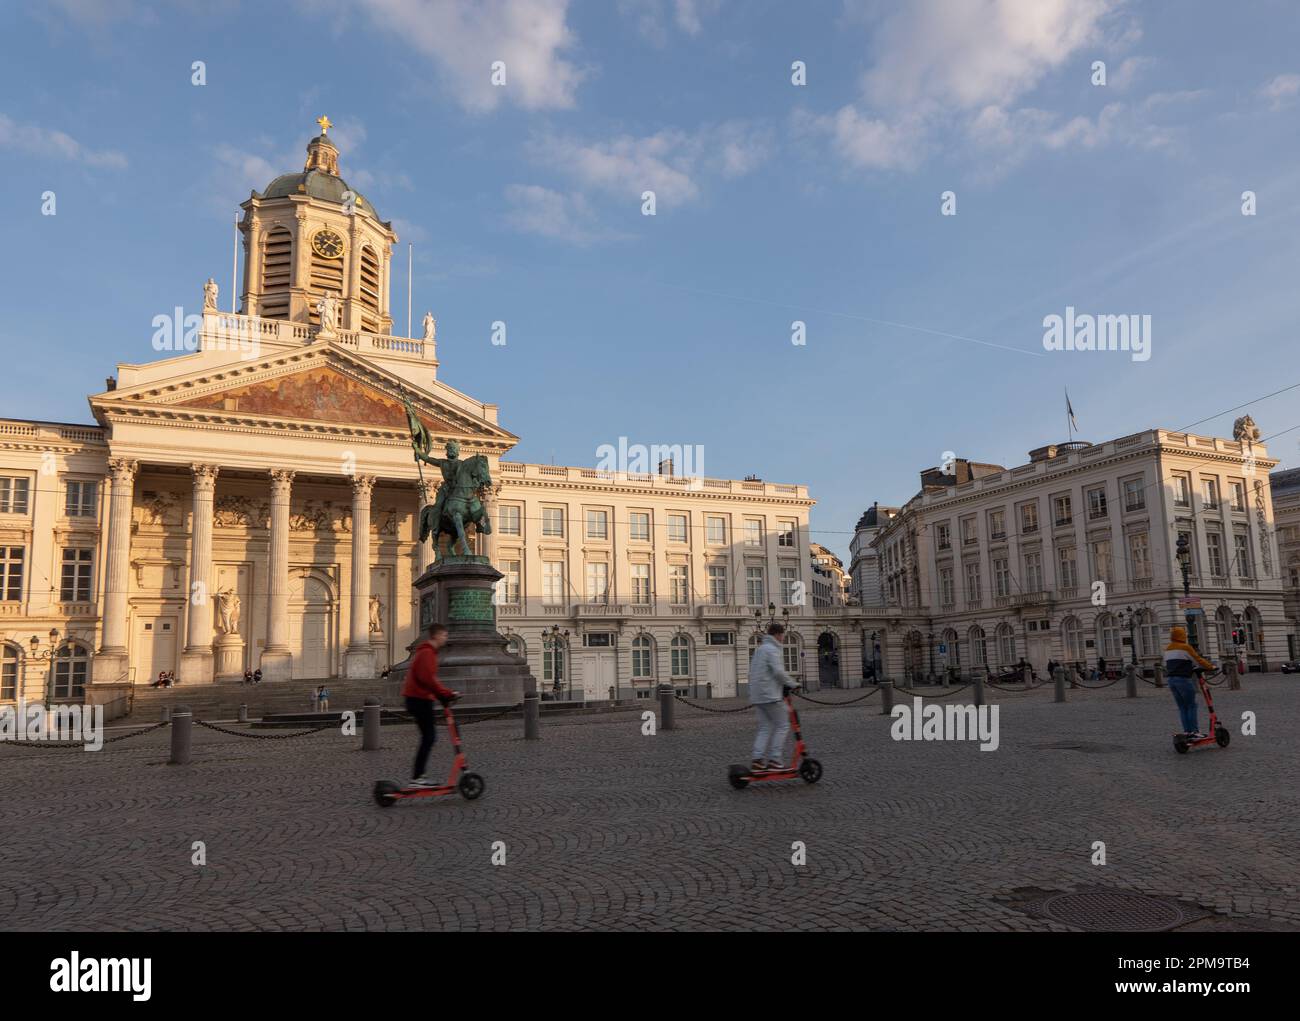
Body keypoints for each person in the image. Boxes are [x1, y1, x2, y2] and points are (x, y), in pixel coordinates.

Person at [401, 622, 459, 787]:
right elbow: (427, 679)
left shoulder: (427, 652)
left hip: (418, 698)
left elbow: (428, 680)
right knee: (429, 737)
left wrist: (443, 695)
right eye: (444, 635)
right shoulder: (426, 653)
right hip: (419, 699)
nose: (446, 639)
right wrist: (446, 693)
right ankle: (418, 777)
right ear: (437, 635)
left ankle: (418, 776)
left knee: (428, 737)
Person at [748, 622, 797, 771]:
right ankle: (775, 760)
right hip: (770, 695)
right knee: (783, 725)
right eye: (782, 635)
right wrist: (793, 683)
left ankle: (757, 759)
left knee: (765, 727)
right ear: (777, 634)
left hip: (757, 695)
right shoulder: (772, 650)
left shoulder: (760, 649)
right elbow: (778, 672)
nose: (783, 638)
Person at [1163, 624, 1215, 738]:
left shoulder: (1168, 648)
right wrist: (1211, 667)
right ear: (1182, 635)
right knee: (1191, 705)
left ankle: (1187, 731)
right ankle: (1194, 732)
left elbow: (1169, 664)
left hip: (1171, 681)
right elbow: (1198, 659)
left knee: (1182, 707)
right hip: (1183, 680)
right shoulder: (1185, 647)